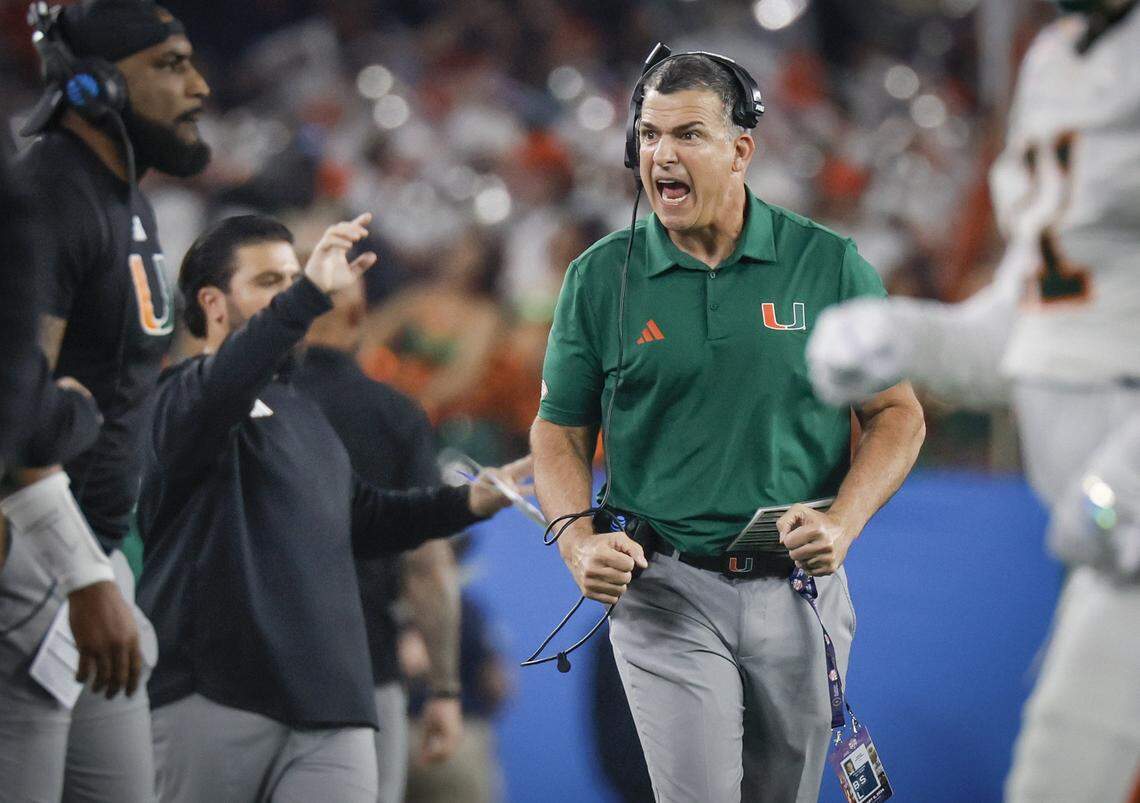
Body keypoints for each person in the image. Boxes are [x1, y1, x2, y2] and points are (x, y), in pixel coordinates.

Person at [531, 49, 925, 803]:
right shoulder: (600, 276)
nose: (661, 155)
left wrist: (845, 519)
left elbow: (896, 413)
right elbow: (559, 429)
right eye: (647, 136)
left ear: (742, 148)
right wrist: (575, 538)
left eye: (688, 134)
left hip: (800, 589)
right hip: (664, 591)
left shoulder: (828, 265)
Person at [805, 2, 1140, 800]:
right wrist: (910, 340)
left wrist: (1118, 488)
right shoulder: (1056, 56)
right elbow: (1043, 325)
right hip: (1112, 547)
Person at [137, 213, 528, 802]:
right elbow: (229, 379)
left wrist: (466, 502)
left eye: (295, 280)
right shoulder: (181, 397)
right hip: (214, 692)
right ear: (213, 304)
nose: (296, 295)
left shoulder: (301, 413)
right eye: (271, 282)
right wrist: (309, 294)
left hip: (330, 703)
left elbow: (363, 519)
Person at [0, 1, 211, 799]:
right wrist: (83, 574)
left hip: (88, 563)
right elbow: (14, 414)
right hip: (34, 564)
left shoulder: (128, 201)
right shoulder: (48, 193)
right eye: (168, 64)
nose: (198, 85)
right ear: (94, 87)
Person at [295, 275, 468, 802]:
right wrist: (443, 688)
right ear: (359, 317)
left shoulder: (250, 403)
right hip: (361, 669)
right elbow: (427, 565)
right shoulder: (393, 415)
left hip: (247, 674)